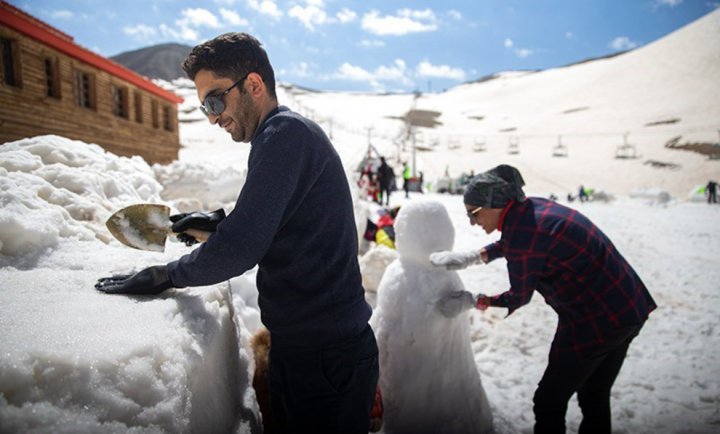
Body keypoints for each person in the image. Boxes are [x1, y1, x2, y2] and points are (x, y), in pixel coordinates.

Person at [95, 32, 378, 434]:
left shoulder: (285, 136)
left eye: (215, 101)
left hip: (325, 358)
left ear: (254, 85)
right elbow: (274, 226)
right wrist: (217, 225)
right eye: (204, 107)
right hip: (310, 350)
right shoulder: (279, 136)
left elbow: (243, 247)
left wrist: (167, 275)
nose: (212, 117)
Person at [430, 164, 656, 434]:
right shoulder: (529, 210)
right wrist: (474, 257)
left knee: (549, 400)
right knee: (593, 394)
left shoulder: (525, 231)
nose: (472, 223)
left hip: (595, 320)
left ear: (495, 205)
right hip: (628, 306)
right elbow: (518, 241)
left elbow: (518, 296)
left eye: (473, 214)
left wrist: (474, 300)